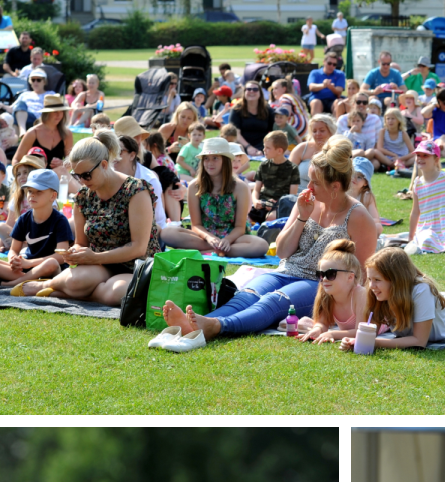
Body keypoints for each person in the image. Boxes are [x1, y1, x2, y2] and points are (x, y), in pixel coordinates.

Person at [162, 136, 379, 341]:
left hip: (320, 284)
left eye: (315, 182)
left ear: (336, 187)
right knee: (247, 294)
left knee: (272, 302)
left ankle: (217, 326)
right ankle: (203, 322)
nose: (308, 187)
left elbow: (359, 278)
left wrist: (332, 311)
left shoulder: (359, 218)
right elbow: (283, 252)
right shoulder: (306, 203)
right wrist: (302, 218)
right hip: (286, 270)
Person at [18, 133, 158, 305]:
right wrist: (75, 253)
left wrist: (94, 258)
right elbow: (81, 243)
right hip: (100, 265)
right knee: (74, 281)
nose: (83, 181)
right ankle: (50, 285)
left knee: (116, 293)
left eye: (87, 175)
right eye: (77, 176)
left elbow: (138, 248)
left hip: (136, 266)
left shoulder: (136, 190)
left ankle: (57, 292)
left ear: (104, 165)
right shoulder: (83, 197)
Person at [164, 136, 268, 257]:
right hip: (204, 237)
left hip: (233, 237)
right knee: (167, 233)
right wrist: (210, 238)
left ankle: (207, 251)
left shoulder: (240, 187)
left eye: (215, 158)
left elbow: (240, 227)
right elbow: (196, 225)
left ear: (225, 160)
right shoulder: (195, 186)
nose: (210, 163)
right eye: (206, 158)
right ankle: (217, 251)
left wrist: (227, 241)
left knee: (261, 245)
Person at [0, 167, 72, 291]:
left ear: (53, 196)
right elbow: (13, 250)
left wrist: (30, 263)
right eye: (30, 191)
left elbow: (61, 256)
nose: (32, 195)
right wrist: (14, 260)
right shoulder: (23, 219)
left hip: (52, 269)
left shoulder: (60, 220)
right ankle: (30, 281)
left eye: (39, 191)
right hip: (27, 269)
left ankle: (9, 284)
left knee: (51, 263)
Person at [294, 238, 367, 344]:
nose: (324, 279)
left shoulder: (360, 294)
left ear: (350, 277)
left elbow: (361, 331)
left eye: (330, 274)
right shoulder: (326, 293)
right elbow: (322, 323)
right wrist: (317, 329)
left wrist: (332, 334)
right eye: (321, 274)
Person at [249, 130, 302, 224]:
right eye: (264, 146)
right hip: (262, 204)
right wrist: (256, 201)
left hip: (280, 206)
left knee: (270, 218)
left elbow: (291, 197)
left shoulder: (292, 169)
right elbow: (256, 189)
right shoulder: (263, 166)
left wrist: (276, 205)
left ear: (279, 151)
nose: (264, 149)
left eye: (267, 148)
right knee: (243, 216)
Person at [12, 93, 72, 171]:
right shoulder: (33, 133)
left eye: (61, 111)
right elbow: (16, 160)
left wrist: (63, 164)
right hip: (35, 178)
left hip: (57, 178)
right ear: (46, 113)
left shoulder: (66, 133)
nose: (59, 115)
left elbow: (71, 162)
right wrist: (23, 175)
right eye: (55, 112)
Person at [229, 80, 275, 157]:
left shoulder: (268, 110)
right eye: (248, 89)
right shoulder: (237, 109)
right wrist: (248, 147)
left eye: (255, 89)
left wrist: (266, 148)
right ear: (244, 92)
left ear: (260, 93)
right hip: (241, 144)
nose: (251, 91)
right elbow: (236, 133)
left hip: (263, 144)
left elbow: (274, 130)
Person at [12, 68, 49, 136]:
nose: (35, 82)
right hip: (24, 118)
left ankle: (20, 135)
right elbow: (13, 108)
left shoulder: (50, 94)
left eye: (38, 80)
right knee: (19, 106)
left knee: (18, 109)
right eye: (33, 80)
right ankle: (19, 138)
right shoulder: (24, 94)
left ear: (44, 81)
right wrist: (1, 105)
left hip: (39, 120)